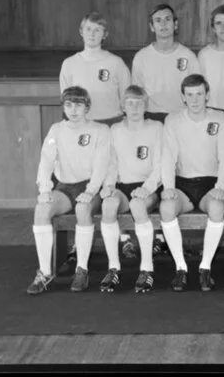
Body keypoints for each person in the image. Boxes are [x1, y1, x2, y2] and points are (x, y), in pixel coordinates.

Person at [58, 12, 136, 262]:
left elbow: (128, 98)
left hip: (111, 125)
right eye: (88, 29)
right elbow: (67, 99)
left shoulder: (115, 63)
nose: (92, 34)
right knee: (83, 182)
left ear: (105, 35)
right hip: (82, 129)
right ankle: (79, 242)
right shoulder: (70, 64)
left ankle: (124, 238)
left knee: (112, 182)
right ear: (81, 32)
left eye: (97, 30)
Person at [27, 86, 110, 295]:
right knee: (41, 209)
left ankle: (81, 269)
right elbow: (46, 161)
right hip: (65, 187)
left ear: (87, 107)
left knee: (83, 210)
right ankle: (45, 272)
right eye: (68, 105)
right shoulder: (57, 129)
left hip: (91, 186)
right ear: (64, 107)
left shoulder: (100, 130)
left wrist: (91, 191)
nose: (73, 110)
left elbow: (102, 165)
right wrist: (45, 188)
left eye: (78, 105)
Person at [160, 74, 224, 291]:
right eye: (190, 95)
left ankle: (205, 267)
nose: (195, 99)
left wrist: (221, 187)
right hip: (183, 183)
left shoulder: (220, 118)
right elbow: (168, 157)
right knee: (166, 208)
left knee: (218, 207)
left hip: (211, 183)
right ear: (183, 97)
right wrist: (168, 187)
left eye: (199, 94)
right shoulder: (173, 120)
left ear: (207, 95)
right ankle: (181, 268)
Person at [98, 85, 164, 293]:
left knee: (137, 204)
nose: (134, 107)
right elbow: (111, 163)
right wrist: (108, 185)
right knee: (108, 205)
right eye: (130, 103)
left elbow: (161, 165)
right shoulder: (115, 130)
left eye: (139, 103)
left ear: (146, 106)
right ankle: (114, 267)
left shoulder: (156, 128)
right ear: (123, 107)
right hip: (123, 185)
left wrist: (147, 188)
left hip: (148, 187)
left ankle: (146, 268)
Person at [132, 4, 201, 123]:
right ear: (152, 27)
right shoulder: (141, 57)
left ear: (175, 25)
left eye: (167, 19)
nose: (163, 24)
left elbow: (197, 90)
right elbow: (137, 94)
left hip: (181, 116)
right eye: (158, 20)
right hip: (151, 116)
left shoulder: (188, 56)